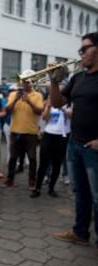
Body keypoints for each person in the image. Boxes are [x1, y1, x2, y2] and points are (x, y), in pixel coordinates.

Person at [49, 32, 98, 247]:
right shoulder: (78, 78)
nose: (80, 53)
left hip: (94, 148)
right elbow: (58, 104)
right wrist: (53, 81)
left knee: (97, 196)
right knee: (80, 192)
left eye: (85, 48)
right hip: (75, 143)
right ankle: (80, 233)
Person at [4, 72, 44, 189]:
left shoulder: (38, 95)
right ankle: (10, 180)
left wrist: (29, 101)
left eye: (27, 82)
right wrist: (16, 99)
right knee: (13, 157)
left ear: (31, 83)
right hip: (15, 131)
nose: (24, 84)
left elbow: (39, 111)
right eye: (22, 81)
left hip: (31, 132)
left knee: (32, 158)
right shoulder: (13, 94)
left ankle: (32, 180)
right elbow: (7, 110)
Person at [30, 100, 71, 198]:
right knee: (43, 163)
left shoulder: (70, 104)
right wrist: (48, 107)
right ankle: (37, 188)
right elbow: (45, 118)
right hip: (49, 135)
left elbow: (71, 116)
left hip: (63, 136)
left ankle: (51, 188)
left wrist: (62, 108)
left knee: (57, 164)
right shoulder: (50, 104)